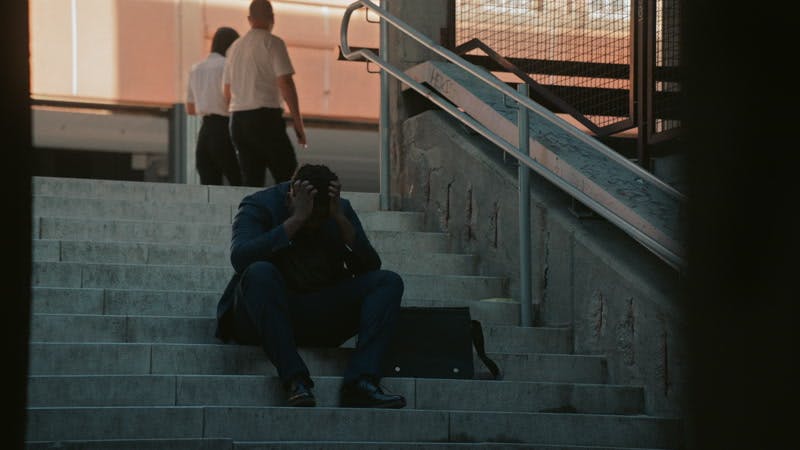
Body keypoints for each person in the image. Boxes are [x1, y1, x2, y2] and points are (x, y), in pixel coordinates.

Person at [214, 164, 406, 409]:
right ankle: (295, 380)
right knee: (259, 272)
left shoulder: (339, 210)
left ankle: (362, 382)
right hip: (260, 317)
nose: (314, 224)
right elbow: (240, 258)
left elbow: (370, 267)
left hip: (316, 313)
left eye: (320, 218)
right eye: (312, 218)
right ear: (291, 196)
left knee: (388, 281)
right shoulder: (259, 204)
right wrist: (297, 220)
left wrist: (340, 221)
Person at [223, 0, 307, 187]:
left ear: (249, 19)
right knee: (288, 177)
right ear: (273, 18)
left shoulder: (234, 48)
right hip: (265, 118)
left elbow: (227, 91)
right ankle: (290, 216)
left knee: (252, 180)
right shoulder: (273, 43)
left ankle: (252, 215)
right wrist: (298, 123)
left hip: (238, 120)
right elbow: (285, 82)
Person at [186, 26, 243, 186]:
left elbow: (190, 109)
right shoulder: (228, 65)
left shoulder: (195, 68)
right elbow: (232, 99)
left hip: (204, 131)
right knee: (238, 180)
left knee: (209, 184)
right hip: (224, 128)